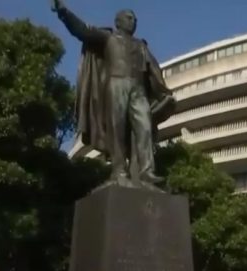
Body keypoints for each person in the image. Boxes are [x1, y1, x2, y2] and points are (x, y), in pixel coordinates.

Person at [51, 0, 175, 190]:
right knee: (117, 129)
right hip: (116, 84)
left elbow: (154, 69)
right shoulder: (108, 37)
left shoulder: (141, 45)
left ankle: (147, 172)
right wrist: (64, 12)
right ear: (118, 22)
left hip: (138, 89)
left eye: (135, 19)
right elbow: (82, 30)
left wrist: (163, 93)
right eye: (129, 18)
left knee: (145, 128)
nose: (133, 21)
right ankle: (119, 171)